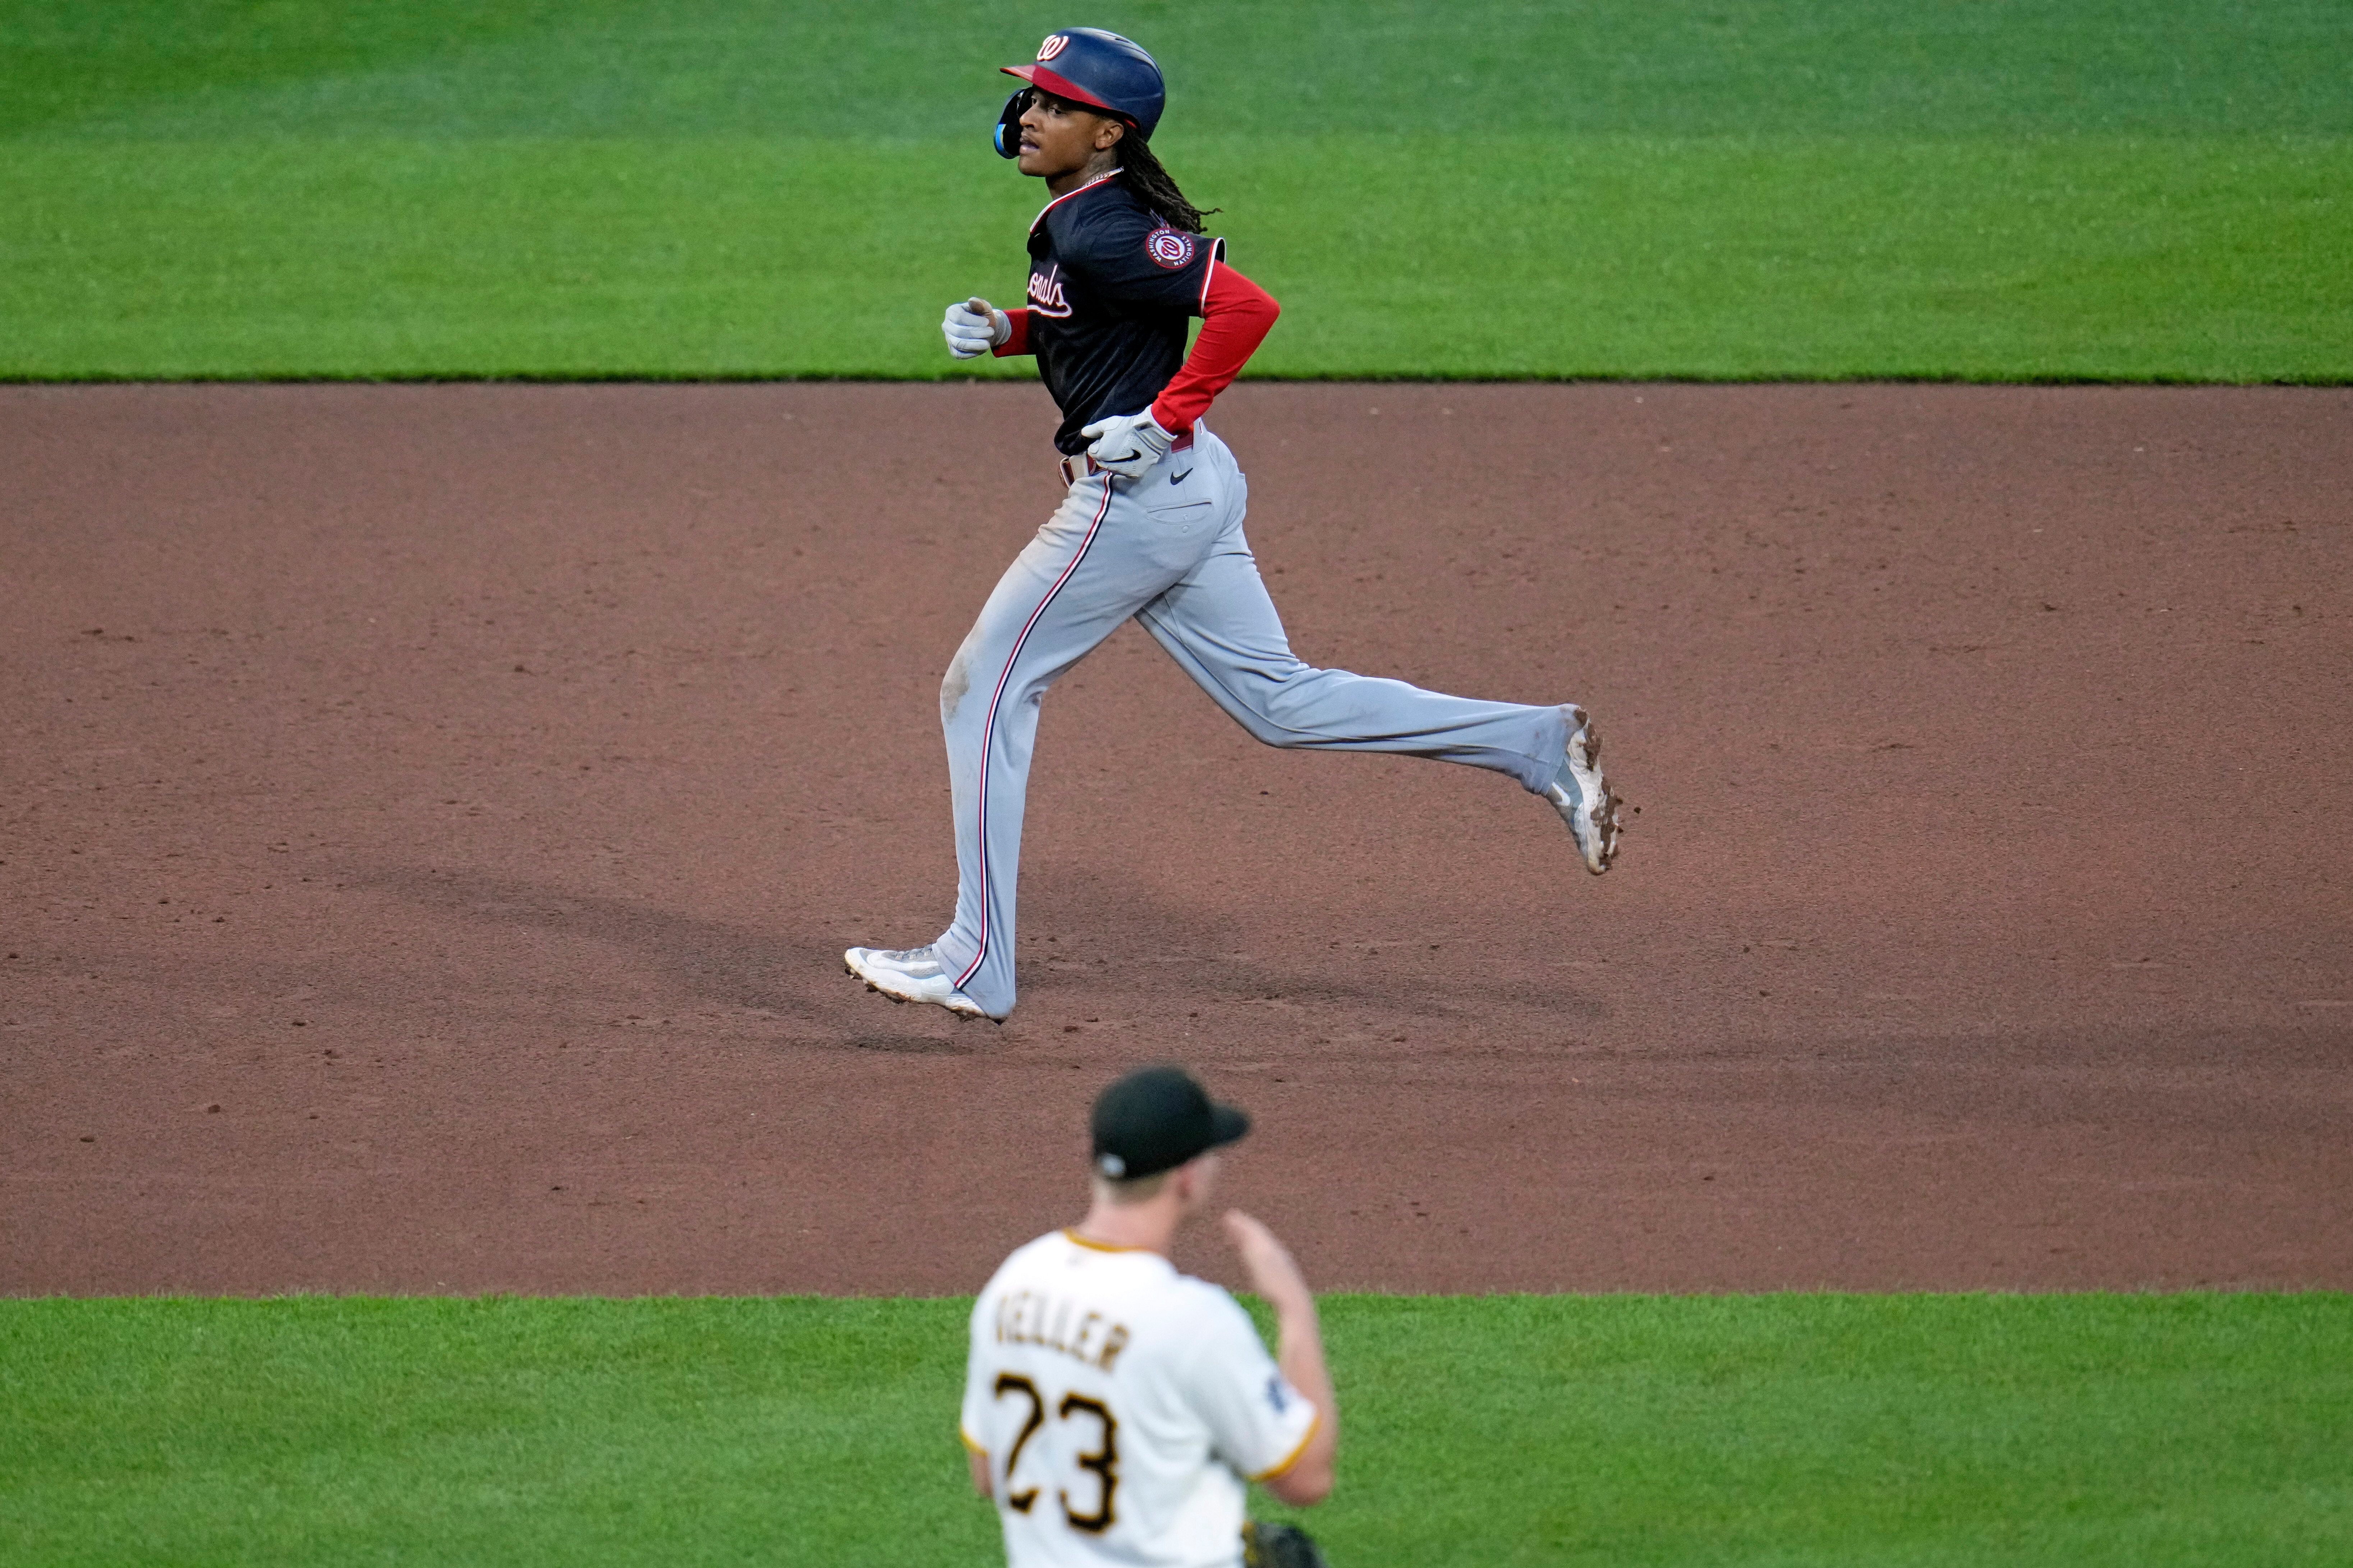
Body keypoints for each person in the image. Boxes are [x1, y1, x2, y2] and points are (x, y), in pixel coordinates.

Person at [846, 28, 1621, 1022]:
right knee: (1279, 702)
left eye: (1055, 103)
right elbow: (1106, 318)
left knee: (982, 689)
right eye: (1029, 98)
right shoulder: (1083, 220)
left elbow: (1248, 308)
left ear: (1110, 131)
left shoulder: (1103, 225)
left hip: (1133, 504)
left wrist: (1166, 417)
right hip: (1191, 490)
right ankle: (1534, 742)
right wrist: (1013, 330)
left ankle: (973, 958)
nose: (1029, 115)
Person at [961, 1065, 1336, 1568]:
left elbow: (989, 1474)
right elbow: (1307, 1478)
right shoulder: (1193, 1322)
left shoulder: (1013, 1284)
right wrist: (1294, 1311)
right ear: (1186, 1176)